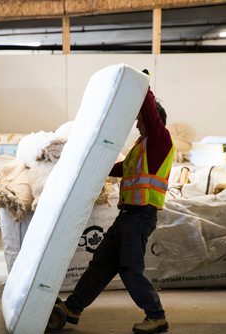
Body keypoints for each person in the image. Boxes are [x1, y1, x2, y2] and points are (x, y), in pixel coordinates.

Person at [56, 82, 174, 334]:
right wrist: (92, 163)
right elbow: (122, 170)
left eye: (140, 119)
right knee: (101, 263)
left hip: (141, 216)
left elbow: (151, 114)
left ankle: (157, 316)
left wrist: (142, 86)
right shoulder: (141, 147)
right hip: (128, 216)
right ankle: (73, 308)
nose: (137, 124)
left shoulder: (159, 140)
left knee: (130, 268)